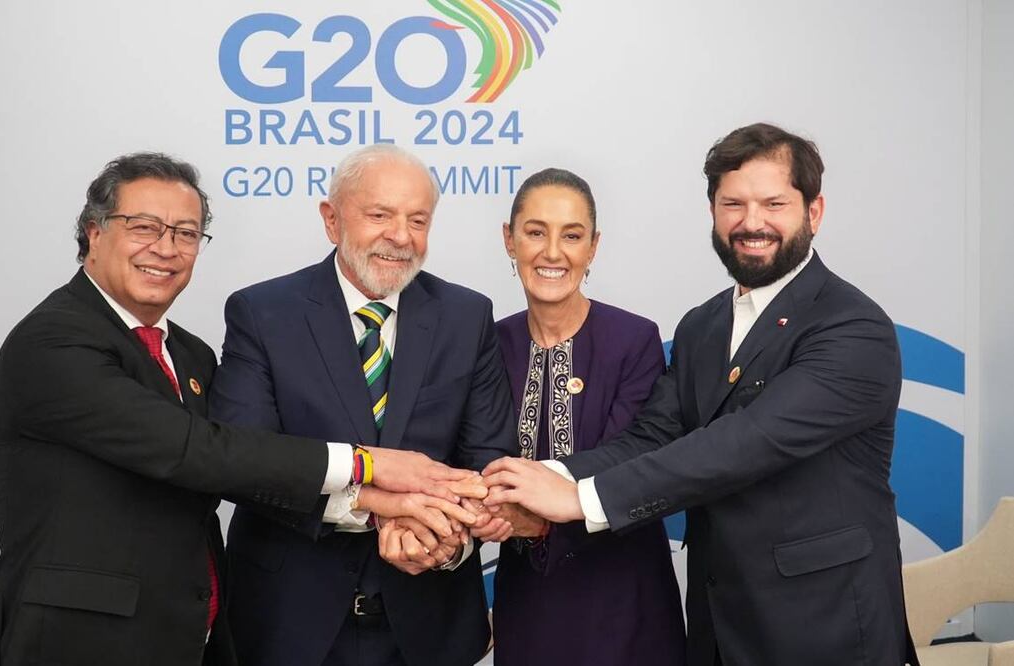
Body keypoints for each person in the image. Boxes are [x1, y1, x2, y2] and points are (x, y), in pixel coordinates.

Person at [0, 152, 465, 666]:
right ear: (94, 232)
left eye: (186, 233)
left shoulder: (187, 353)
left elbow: (243, 464)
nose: (165, 248)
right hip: (79, 642)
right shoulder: (53, 341)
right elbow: (197, 451)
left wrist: (386, 504)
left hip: (191, 635)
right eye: (144, 227)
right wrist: (370, 464)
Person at [484, 124, 920, 666]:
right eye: (732, 203)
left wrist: (578, 499)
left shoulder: (853, 328)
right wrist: (550, 477)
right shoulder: (702, 326)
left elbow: (746, 443)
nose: (751, 221)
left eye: (773, 203)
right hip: (718, 625)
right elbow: (652, 437)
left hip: (823, 627)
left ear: (814, 212)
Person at [208, 144, 517, 666]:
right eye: (379, 215)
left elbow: (487, 459)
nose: (401, 236)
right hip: (289, 627)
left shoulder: (467, 316)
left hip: (428, 625)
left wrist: (445, 542)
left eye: (417, 219)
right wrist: (374, 506)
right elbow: (246, 462)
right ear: (331, 220)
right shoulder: (262, 314)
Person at [488, 168, 687, 665]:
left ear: (593, 247)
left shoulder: (634, 339)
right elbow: (478, 455)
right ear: (509, 240)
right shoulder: (489, 344)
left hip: (623, 597)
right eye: (535, 232)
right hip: (526, 598)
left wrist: (539, 488)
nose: (552, 252)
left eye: (572, 236)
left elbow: (637, 457)